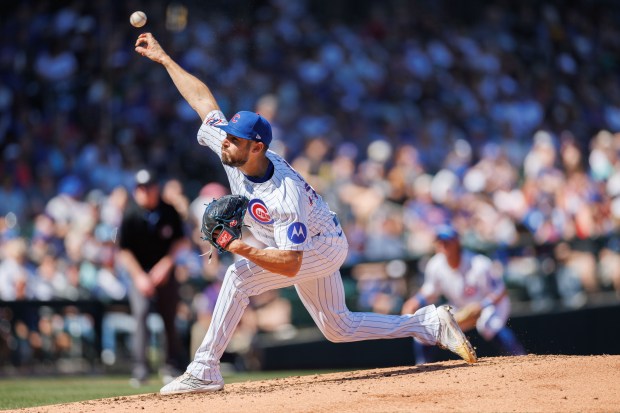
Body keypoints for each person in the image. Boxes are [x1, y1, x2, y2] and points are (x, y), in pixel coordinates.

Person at [134, 32, 477, 396]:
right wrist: (165, 59)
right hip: (300, 241)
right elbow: (204, 101)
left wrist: (237, 247)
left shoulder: (283, 194)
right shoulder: (235, 149)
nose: (226, 140)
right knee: (337, 327)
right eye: (228, 135)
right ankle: (428, 324)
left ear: (257, 147)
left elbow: (291, 264)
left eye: (234, 138)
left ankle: (204, 369)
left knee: (238, 278)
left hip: (319, 246)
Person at [401, 225, 525, 364]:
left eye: (447, 241)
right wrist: (416, 300)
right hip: (461, 305)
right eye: (439, 241)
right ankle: (423, 365)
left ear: (457, 242)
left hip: (491, 304)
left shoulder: (479, 263)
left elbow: (500, 291)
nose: (443, 245)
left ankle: (519, 358)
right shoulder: (435, 264)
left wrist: (482, 305)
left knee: (488, 325)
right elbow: (430, 291)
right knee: (428, 327)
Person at [116, 168, 189, 386]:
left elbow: (180, 241)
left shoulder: (168, 211)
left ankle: (172, 366)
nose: (144, 192)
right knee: (141, 315)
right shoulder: (130, 214)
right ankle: (140, 369)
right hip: (139, 273)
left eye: (147, 187)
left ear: (156, 188)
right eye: (139, 188)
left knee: (170, 318)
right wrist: (139, 276)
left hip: (165, 273)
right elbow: (124, 250)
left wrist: (165, 266)